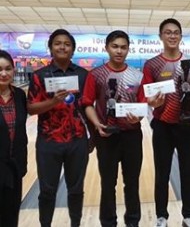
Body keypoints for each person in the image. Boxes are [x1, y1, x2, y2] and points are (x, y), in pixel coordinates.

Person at [137, 18, 190, 227]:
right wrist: (152, 102)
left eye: (176, 32)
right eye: (168, 32)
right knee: (162, 172)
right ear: (161, 37)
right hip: (163, 125)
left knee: (188, 171)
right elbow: (146, 96)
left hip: (188, 125)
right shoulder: (152, 64)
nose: (172, 36)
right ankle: (161, 216)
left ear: (181, 36)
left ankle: (189, 215)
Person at [27, 29, 89, 227]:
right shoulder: (39, 75)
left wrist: (93, 137)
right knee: (47, 190)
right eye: (57, 43)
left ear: (73, 50)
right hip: (48, 142)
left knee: (76, 190)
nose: (62, 47)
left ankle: (75, 224)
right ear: (51, 48)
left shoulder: (83, 74)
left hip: (77, 140)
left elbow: (88, 106)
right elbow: (31, 108)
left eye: (67, 44)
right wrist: (53, 102)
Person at [82, 30, 143, 227]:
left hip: (132, 135)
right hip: (106, 135)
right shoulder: (96, 75)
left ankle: (132, 222)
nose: (119, 51)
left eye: (123, 47)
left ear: (128, 49)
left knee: (132, 184)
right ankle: (108, 223)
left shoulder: (137, 75)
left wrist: (138, 116)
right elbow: (87, 103)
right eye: (115, 46)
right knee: (108, 184)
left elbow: (143, 104)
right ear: (107, 48)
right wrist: (97, 123)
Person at [0, 50, 28, 227]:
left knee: (11, 216)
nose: (3, 73)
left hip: (15, 166)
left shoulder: (19, 94)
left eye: (8, 68)